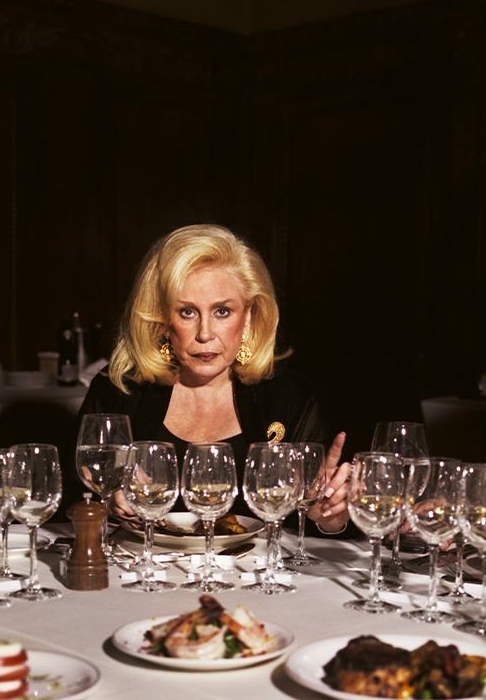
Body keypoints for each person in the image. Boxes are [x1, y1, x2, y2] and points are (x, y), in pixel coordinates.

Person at [79, 223, 350, 532]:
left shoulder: (288, 397)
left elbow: (315, 524)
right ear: (162, 318)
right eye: (187, 312)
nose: (205, 334)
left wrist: (328, 516)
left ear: (248, 316)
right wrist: (107, 503)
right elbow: (72, 503)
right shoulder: (119, 391)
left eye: (222, 312)